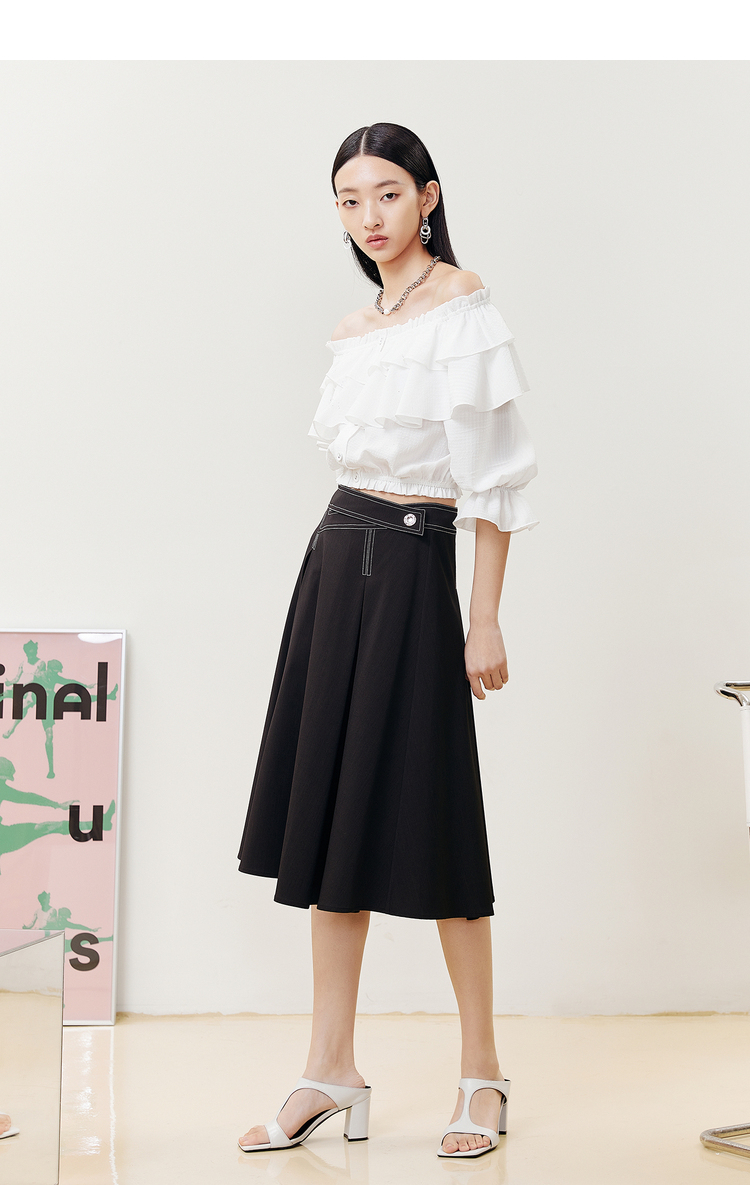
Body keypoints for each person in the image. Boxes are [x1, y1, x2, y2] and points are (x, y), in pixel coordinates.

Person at [237, 122, 538, 1160]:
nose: (370, 217)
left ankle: (482, 1073)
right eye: (349, 199)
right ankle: (330, 1068)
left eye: (388, 194)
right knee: (328, 818)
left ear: (428, 196)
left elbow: (494, 479)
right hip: (335, 562)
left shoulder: (463, 304)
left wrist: (482, 615)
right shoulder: (354, 326)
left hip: (415, 566)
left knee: (438, 813)